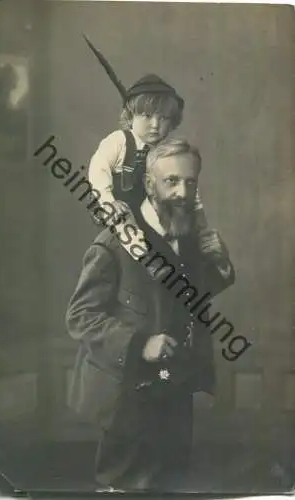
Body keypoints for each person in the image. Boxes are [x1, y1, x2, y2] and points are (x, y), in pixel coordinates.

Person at [66, 138, 235, 491]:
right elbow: (80, 316)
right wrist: (140, 343)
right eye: (171, 181)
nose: (182, 192)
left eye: (190, 182)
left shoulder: (189, 239)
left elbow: (189, 297)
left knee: (171, 484)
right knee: (124, 487)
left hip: (175, 391)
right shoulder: (114, 242)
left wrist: (220, 263)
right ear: (148, 184)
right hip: (126, 398)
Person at [88, 74, 208, 260]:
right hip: (120, 211)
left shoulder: (167, 152)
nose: (155, 125)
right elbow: (98, 170)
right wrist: (108, 201)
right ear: (131, 115)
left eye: (163, 118)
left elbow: (184, 181)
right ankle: (147, 260)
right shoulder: (119, 141)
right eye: (147, 116)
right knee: (127, 226)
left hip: (151, 213)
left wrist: (197, 211)